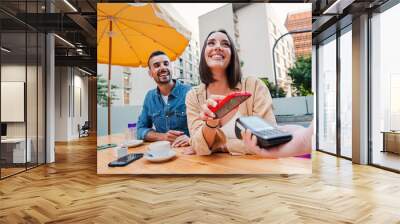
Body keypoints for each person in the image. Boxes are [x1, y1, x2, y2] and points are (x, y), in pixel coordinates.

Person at [185, 29, 276, 155]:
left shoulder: (254, 86)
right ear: (203, 54)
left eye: (225, 44)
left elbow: (269, 139)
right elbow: (199, 147)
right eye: (211, 43)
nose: (218, 47)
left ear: (232, 55)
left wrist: (221, 146)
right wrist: (211, 123)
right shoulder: (193, 96)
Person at [137, 51, 191, 147]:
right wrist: (162, 137)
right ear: (150, 73)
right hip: (161, 154)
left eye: (166, 64)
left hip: (189, 153)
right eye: (157, 65)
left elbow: (203, 127)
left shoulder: (190, 92)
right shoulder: (150, 97)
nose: (163, 68)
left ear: (171, 68)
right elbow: (140, 130)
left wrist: (192, 140)